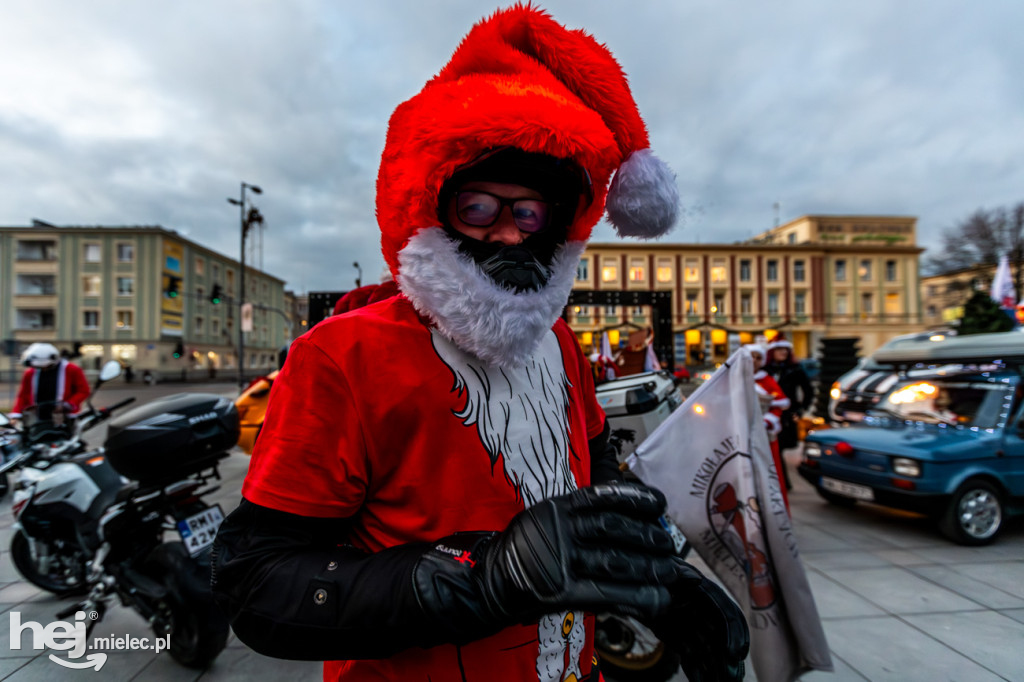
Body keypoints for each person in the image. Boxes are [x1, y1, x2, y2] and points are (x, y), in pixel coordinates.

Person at [211, 7, 748, 682]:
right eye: (478, 207)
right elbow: (258, 581)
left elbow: (596, 477)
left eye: (529, 211)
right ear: (430, 206)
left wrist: (663, 583)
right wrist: (481, 578)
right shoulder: (341, 356)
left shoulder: (561, 346)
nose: (509, 234)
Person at [764, 336, 813, 490]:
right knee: (772, 449)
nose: (783, 352)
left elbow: (808, 391)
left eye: (785, 349)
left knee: (778, 448)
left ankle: (782, 484)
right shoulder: (766, 370)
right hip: (768, 414)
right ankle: (779, 483)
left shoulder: (795, 369)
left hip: (786, 415)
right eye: (779, 349)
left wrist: (801, 409)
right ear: (772, 351)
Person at [748, 344, 791, 513]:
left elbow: (779, 405)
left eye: (758, 357)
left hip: (764, 435)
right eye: (751, 356)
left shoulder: (767, 381)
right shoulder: (735, 378)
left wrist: (768, 421)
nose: (754, 361)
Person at [10, 343, 90, 423]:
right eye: (39, 367)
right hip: (36, 417)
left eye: (46, 367)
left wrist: (67, 405)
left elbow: (83, 391)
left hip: (65, 417)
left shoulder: (72, 370)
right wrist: (16, 414)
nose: (43, 369)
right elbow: (23, 395)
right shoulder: (30, 373)